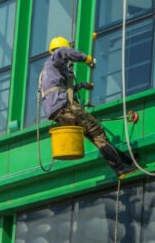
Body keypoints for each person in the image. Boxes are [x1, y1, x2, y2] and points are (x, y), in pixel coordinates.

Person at [39, 36, 136, 178]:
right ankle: (120, 168)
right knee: (98, 133)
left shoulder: (48, 71)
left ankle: (126, 161)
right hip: (65, 106)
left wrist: (82, 86)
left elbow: (61, 89)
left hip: (56, 111)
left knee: (94, 135)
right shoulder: (55, 57)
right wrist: (87, 58)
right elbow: (63, 52)